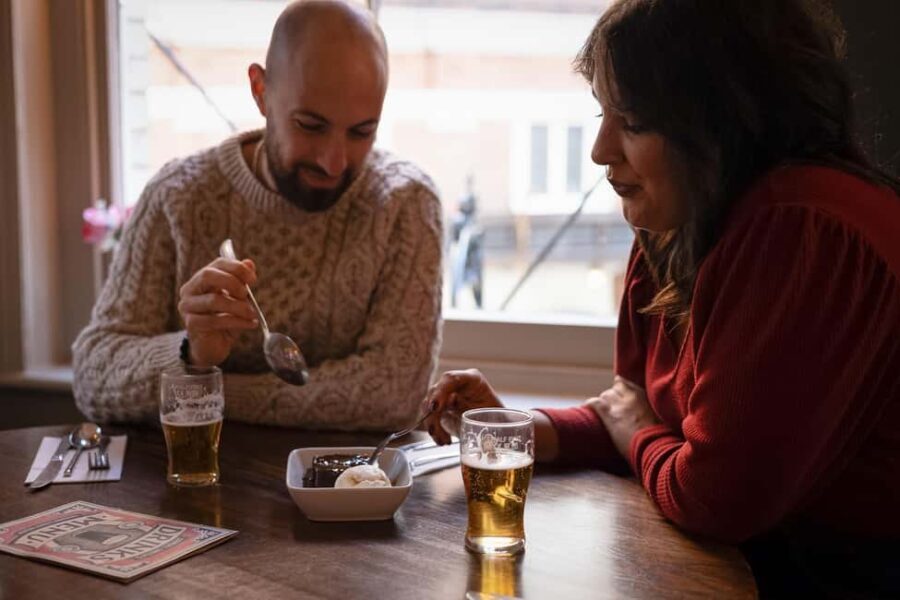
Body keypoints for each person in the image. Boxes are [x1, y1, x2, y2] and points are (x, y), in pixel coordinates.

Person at [424, 0, 900, 595]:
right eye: (602, 113)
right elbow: (645, 418)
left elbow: (709, 495)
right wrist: (516, 428)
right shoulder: (678, 221)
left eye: (631, 122)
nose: (600, 149)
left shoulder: (801, 229)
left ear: (722, 118)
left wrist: (631, 430)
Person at [73, 0, 443, 432]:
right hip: (191, 483)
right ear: (261, 92)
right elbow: (93, 376)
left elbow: (394, 395)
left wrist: (211, 389)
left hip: (355, 492)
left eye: (362, 132)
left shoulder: (405, 205)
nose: (334, 162)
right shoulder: (179, 196)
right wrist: (191, 352)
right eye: (311, 125)